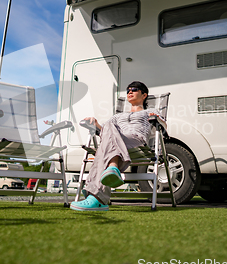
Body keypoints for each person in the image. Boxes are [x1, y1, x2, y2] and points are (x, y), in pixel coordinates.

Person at [70, 81, 164, 211]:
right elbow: (105, 132)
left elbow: (164, 127)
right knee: (108, 126)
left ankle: (97, 196)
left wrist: (157, 119)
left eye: (134, 89)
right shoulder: (117, 116)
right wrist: (95, 123)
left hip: (136, 140)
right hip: (116, 143)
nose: (130, 92)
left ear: (144, 95)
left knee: (102, 150)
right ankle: (110, 171)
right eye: (128, 90)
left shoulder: (150, 111)